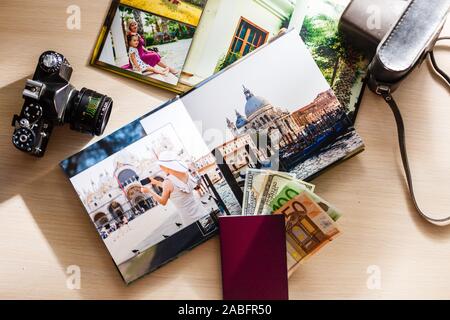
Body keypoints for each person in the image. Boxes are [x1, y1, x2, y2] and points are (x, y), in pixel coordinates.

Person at [141, 151, 208, 227]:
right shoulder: (185, 173)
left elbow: (163, 202)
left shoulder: (168, 182)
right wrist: (156, 182)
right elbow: (175, 188)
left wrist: (149, 191)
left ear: (166, 166)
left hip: (190, 220)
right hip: (202, 212)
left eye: (161, 166)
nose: (161, 168)